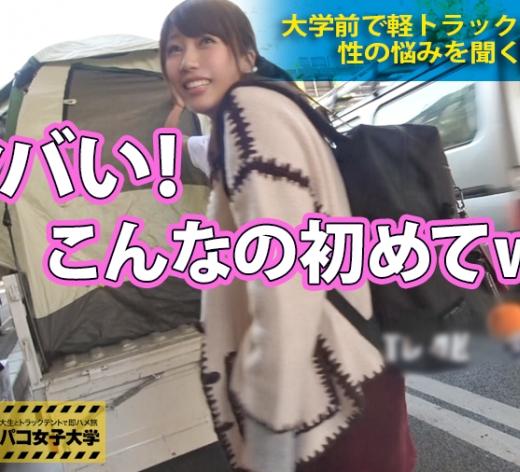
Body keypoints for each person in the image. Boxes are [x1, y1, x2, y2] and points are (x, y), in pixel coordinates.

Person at [158, 0, 418, 471]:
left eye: (206, 42)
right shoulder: (272, 105)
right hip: (348, 367)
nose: (188, 60)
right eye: (175, 48)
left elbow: (285, 280)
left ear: (246, 56)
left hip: (323, 396)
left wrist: (268, 428)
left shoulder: (248, 112)